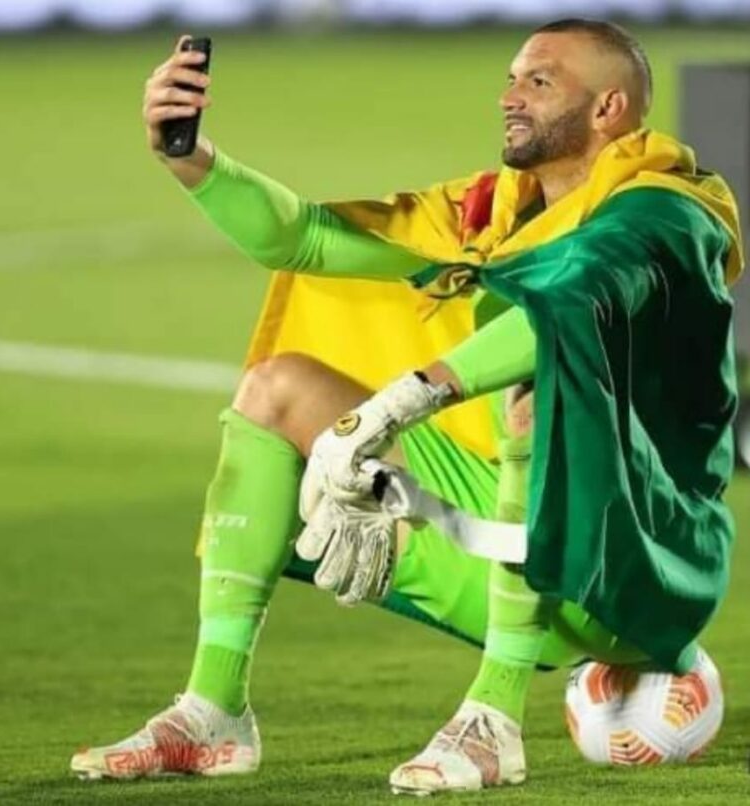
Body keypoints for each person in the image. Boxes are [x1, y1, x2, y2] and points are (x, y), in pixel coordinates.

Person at [71, 19, 743, 794]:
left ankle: (493, 718)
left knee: (539, 393)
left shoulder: (667, 213)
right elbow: (308, 240)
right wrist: (191, 159)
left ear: (608, 109)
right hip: (509, 531)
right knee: (276, 388)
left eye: (538, 82)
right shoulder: (497, 208)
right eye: (511, 77)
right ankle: (212, 713)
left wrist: (391, 410)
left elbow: (570, 309)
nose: (509, 97)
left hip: (630, 563)